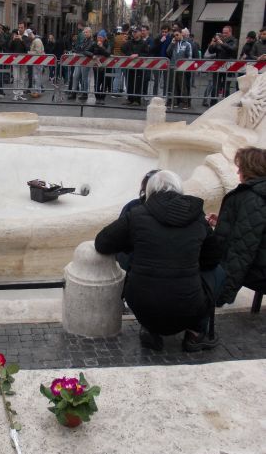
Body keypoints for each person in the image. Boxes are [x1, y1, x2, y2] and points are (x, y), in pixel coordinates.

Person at [95, 170, 221, 352]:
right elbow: (213, 257)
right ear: (178, 189)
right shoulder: (198, 218)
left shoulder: (136, 215)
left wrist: (135, 245)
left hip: (142, 305)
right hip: (188, 307)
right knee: (217, 272)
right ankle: (195, 333)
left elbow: (102, 242)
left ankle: (150, 330)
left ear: (149, 191)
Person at [208, 147, 266, 308]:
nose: (237, 172)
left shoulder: (250, 197)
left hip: (260, 272)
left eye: (240, 168)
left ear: (250, 170)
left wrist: (221, 294)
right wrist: (224, 222)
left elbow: (241, 251)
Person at [206, 25, 238, 105]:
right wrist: (212, 44)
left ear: (230, 32)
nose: (224, 34)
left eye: (226, 33)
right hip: (218, 66)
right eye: (223, 33)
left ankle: (225, 104)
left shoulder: (234, 40)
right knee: (215, 85)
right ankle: (213, 104)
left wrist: (222, 43)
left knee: (226, 87)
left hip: (228, 67)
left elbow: (232, 50)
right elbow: (211, 51)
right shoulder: (219, 40)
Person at [121, 26, 149, 106]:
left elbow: (146, 53)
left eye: (136, 32)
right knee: (129, 82)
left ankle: (137, 100)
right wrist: (129, 53)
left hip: (139, 67)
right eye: (133, 32)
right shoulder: (129, 42)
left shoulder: (144, 43)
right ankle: (130, 99)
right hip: (130, 66)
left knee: (138, 83)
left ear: (140, 33)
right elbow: (123, 49)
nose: (134, 33)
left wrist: (138, 55)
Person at [166, 28, 192, 109]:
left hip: (182, 68)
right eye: (174, 35)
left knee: (182, 85)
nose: (176, 37)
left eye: (177, 35)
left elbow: (189, 56)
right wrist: (171, 44)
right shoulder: (173, 43)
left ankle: (185, 103)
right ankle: (174, 102)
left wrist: (186, 65)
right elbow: (168, 53)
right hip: (173, 67)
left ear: (181, 34)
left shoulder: (187, 44)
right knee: (173, 85)